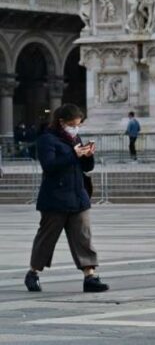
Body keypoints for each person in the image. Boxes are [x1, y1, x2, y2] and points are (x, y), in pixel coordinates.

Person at [24, 104, 109, 293]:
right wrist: (73, 154)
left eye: (78, 125)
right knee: (47, 238)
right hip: (55, 198)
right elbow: (49, 166)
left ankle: (90, 276)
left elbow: (86, 168)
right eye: (72, 125)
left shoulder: (75, 138)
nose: (76, 128)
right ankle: (33, 272)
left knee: (83, 237)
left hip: (78, 196)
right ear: (61, 122)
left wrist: (88, 155)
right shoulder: (47, 139)